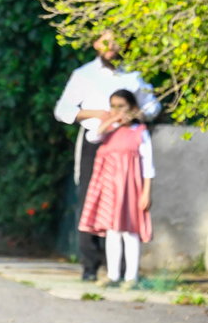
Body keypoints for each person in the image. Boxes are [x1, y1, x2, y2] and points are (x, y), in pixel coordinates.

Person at [53, 32, 160, 280]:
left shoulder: (134, 76)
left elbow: (153, 106)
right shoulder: (84, 75)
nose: (111, 47)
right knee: (90, 199)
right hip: (96, 142)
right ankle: (90, 266)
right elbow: (62, 110)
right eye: (105, 41)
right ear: (95, 43)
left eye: (116, 41)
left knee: (125, 203)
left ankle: (122, 271)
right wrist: (99, 115)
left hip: (127, 146)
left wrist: (135, 116)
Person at [77, 89, 155, 287]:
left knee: (130, 231)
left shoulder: (140, 133)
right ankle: (112, 275)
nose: (117, 111)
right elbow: (92, 137)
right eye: (113, 106)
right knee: (112, 231)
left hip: (130, 188)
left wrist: (146, 192)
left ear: (133, 109)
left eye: (122, 107)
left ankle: (131, 277)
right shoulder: (108, 132)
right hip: (109, 188)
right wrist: (110, 122)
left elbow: (148, 165)